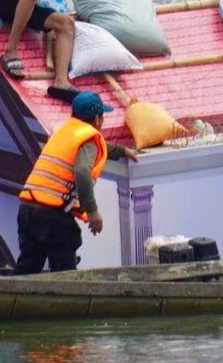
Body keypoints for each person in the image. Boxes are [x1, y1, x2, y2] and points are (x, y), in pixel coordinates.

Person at [14, 91, 138, 274]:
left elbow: (100, 147)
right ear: (97, 118)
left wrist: (123, 151)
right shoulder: (88, 139)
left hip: (27, 209)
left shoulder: (65, 132)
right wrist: (92, 211)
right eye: (102, 117)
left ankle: (15, 301)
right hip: (51, 216)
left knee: (27, 270)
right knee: (65, 273)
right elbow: (82, 171)